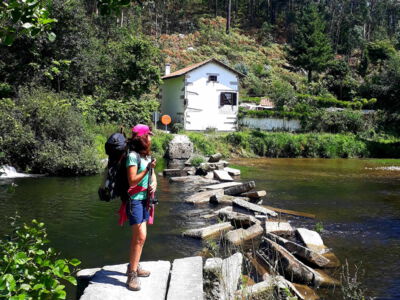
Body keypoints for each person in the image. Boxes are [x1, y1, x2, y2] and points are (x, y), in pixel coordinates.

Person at [125, 124, 157, 291]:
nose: (151, 138)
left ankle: (134, 266)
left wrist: (154, 184)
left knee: (139, 238)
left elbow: (153, 177)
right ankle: (132, 274)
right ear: (142, 137)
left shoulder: (146, 156)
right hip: (135, 201)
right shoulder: (132, 156)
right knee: (141, 237)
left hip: (145, 200)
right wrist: (147, 170)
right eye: (149, 135)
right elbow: (132, 180)